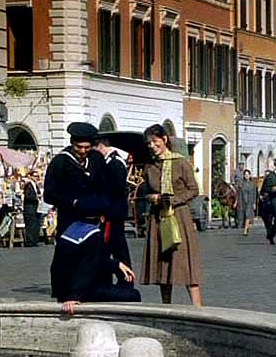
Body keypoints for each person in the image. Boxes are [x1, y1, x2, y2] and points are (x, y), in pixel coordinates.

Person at [44, 122, 140, 315]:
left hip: (96, 220)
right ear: (72, 143)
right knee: (77, 256)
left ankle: (95, 288)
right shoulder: (60, 163)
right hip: (71, 220)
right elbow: (49, 194)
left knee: (96, 255)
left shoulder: (96, 159)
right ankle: (75, 291)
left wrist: (102, 208)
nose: (83, 152)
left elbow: (105, 187)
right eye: (79, 148)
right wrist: (73, 202)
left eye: (87, 148)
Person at [141, 124, 204, 306]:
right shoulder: (150, 167)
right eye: (149, 143)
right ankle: (166, 307)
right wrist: (151, 197)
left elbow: (193, 190)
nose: (152, 146)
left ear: (164, 140)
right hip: (158, 218)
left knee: (186, 263)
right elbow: (144, 191)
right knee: (164, 264)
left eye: (155, 141)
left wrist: (171, 199)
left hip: (179, 217)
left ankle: (198, 309)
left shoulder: (181, 163)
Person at [93, 137, 133, 286]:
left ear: (101, 146)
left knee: (117, 248)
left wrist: (105, 211)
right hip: (113, 212)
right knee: (111, 247)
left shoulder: (114, 163)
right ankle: (109, 279)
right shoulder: (112, 162)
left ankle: (126, 280)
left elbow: (115, 191)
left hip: (113, 214)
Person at [22, 171, 41, 247]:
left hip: (36, 208)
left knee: (36, 224)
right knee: (30, 225)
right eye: (35, 176)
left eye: (37, 176)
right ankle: (30, 241)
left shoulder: (36, 185)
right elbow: (27, 196)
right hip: (29, 208)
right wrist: (36, 198)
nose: (36, 178)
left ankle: (34, 240)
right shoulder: (28, 185)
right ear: (30, 176)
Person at [237, 169, 257, 236]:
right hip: (242, 201)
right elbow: (239, 194)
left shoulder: (253, 184)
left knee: (248, 215)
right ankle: (247, 226)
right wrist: (237, 202)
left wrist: (254, 203)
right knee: (244, 215)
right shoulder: (241, 183)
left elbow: (254, 194)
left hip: (250, 201)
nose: (246, 176)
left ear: (250, 175)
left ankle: (245, 230)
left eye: (247, 175)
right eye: (245, 175)